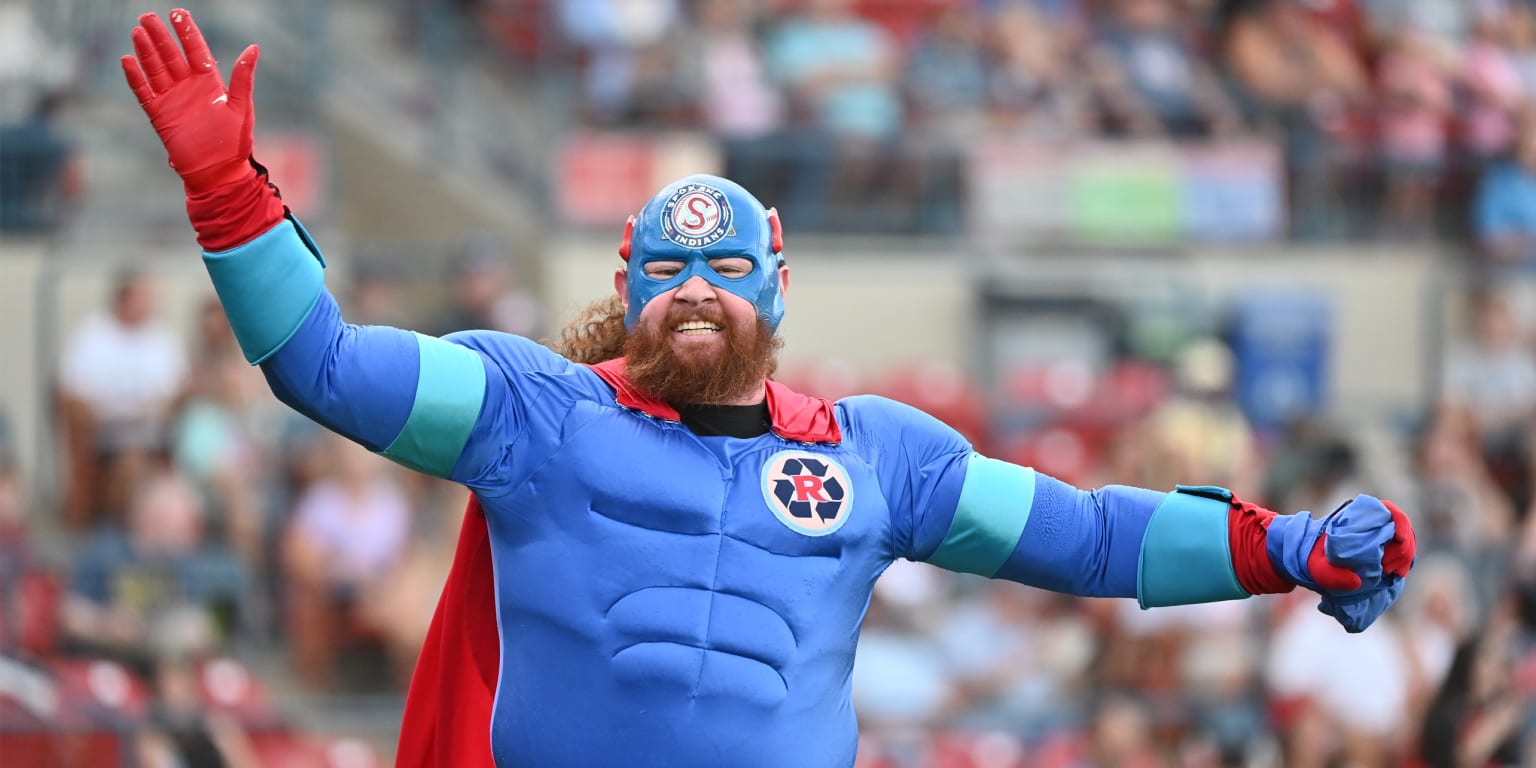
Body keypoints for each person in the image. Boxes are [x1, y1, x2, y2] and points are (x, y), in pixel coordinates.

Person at [120, 10, 1418, 767]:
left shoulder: (878, 460)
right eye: (668, 266)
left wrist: (1283, 546)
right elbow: (322, 365)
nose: (696, 287)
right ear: (628, 288)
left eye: (726, 265)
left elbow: (1083, 535)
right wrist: (229, 195)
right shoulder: (533, 418)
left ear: (778, 288)